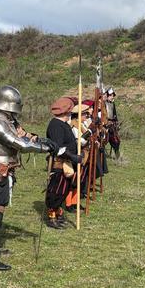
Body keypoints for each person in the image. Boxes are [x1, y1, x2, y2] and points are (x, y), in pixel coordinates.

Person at [0, 85, 55, 270]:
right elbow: (18, 143)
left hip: (5, 170)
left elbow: (24, 135)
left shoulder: (9, 120)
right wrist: (44, 148)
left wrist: (41, 140)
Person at [45, 97, 83, 229]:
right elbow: (59, 148)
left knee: (63, 191)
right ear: (66, 112)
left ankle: (58, 214)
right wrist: (73, 157)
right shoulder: (55, 125)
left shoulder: (65, 124)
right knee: (56, 191)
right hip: (59, 163)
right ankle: (52, 217)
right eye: (70, 111)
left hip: (67, 163)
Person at [104, 87, 121, 159]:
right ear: (107, 95)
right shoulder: (103, 103)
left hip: (112, 124)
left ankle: (118, 156)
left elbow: (114, 114)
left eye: (113, 96)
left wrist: (116, 122)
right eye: (111, 95)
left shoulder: (112, 104)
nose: (112, 97)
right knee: (104, 139)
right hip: (105, 123)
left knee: (116, 140)